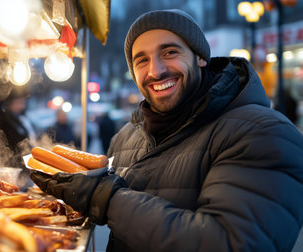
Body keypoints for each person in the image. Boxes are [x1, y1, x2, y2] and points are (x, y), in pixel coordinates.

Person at [29, 9, 303, 251]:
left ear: (199, 57)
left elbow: (232, 242)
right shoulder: (124, 138)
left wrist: (105, 198)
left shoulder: (264, 132)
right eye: (141, 60)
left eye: (170, 52)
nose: (156, 71)